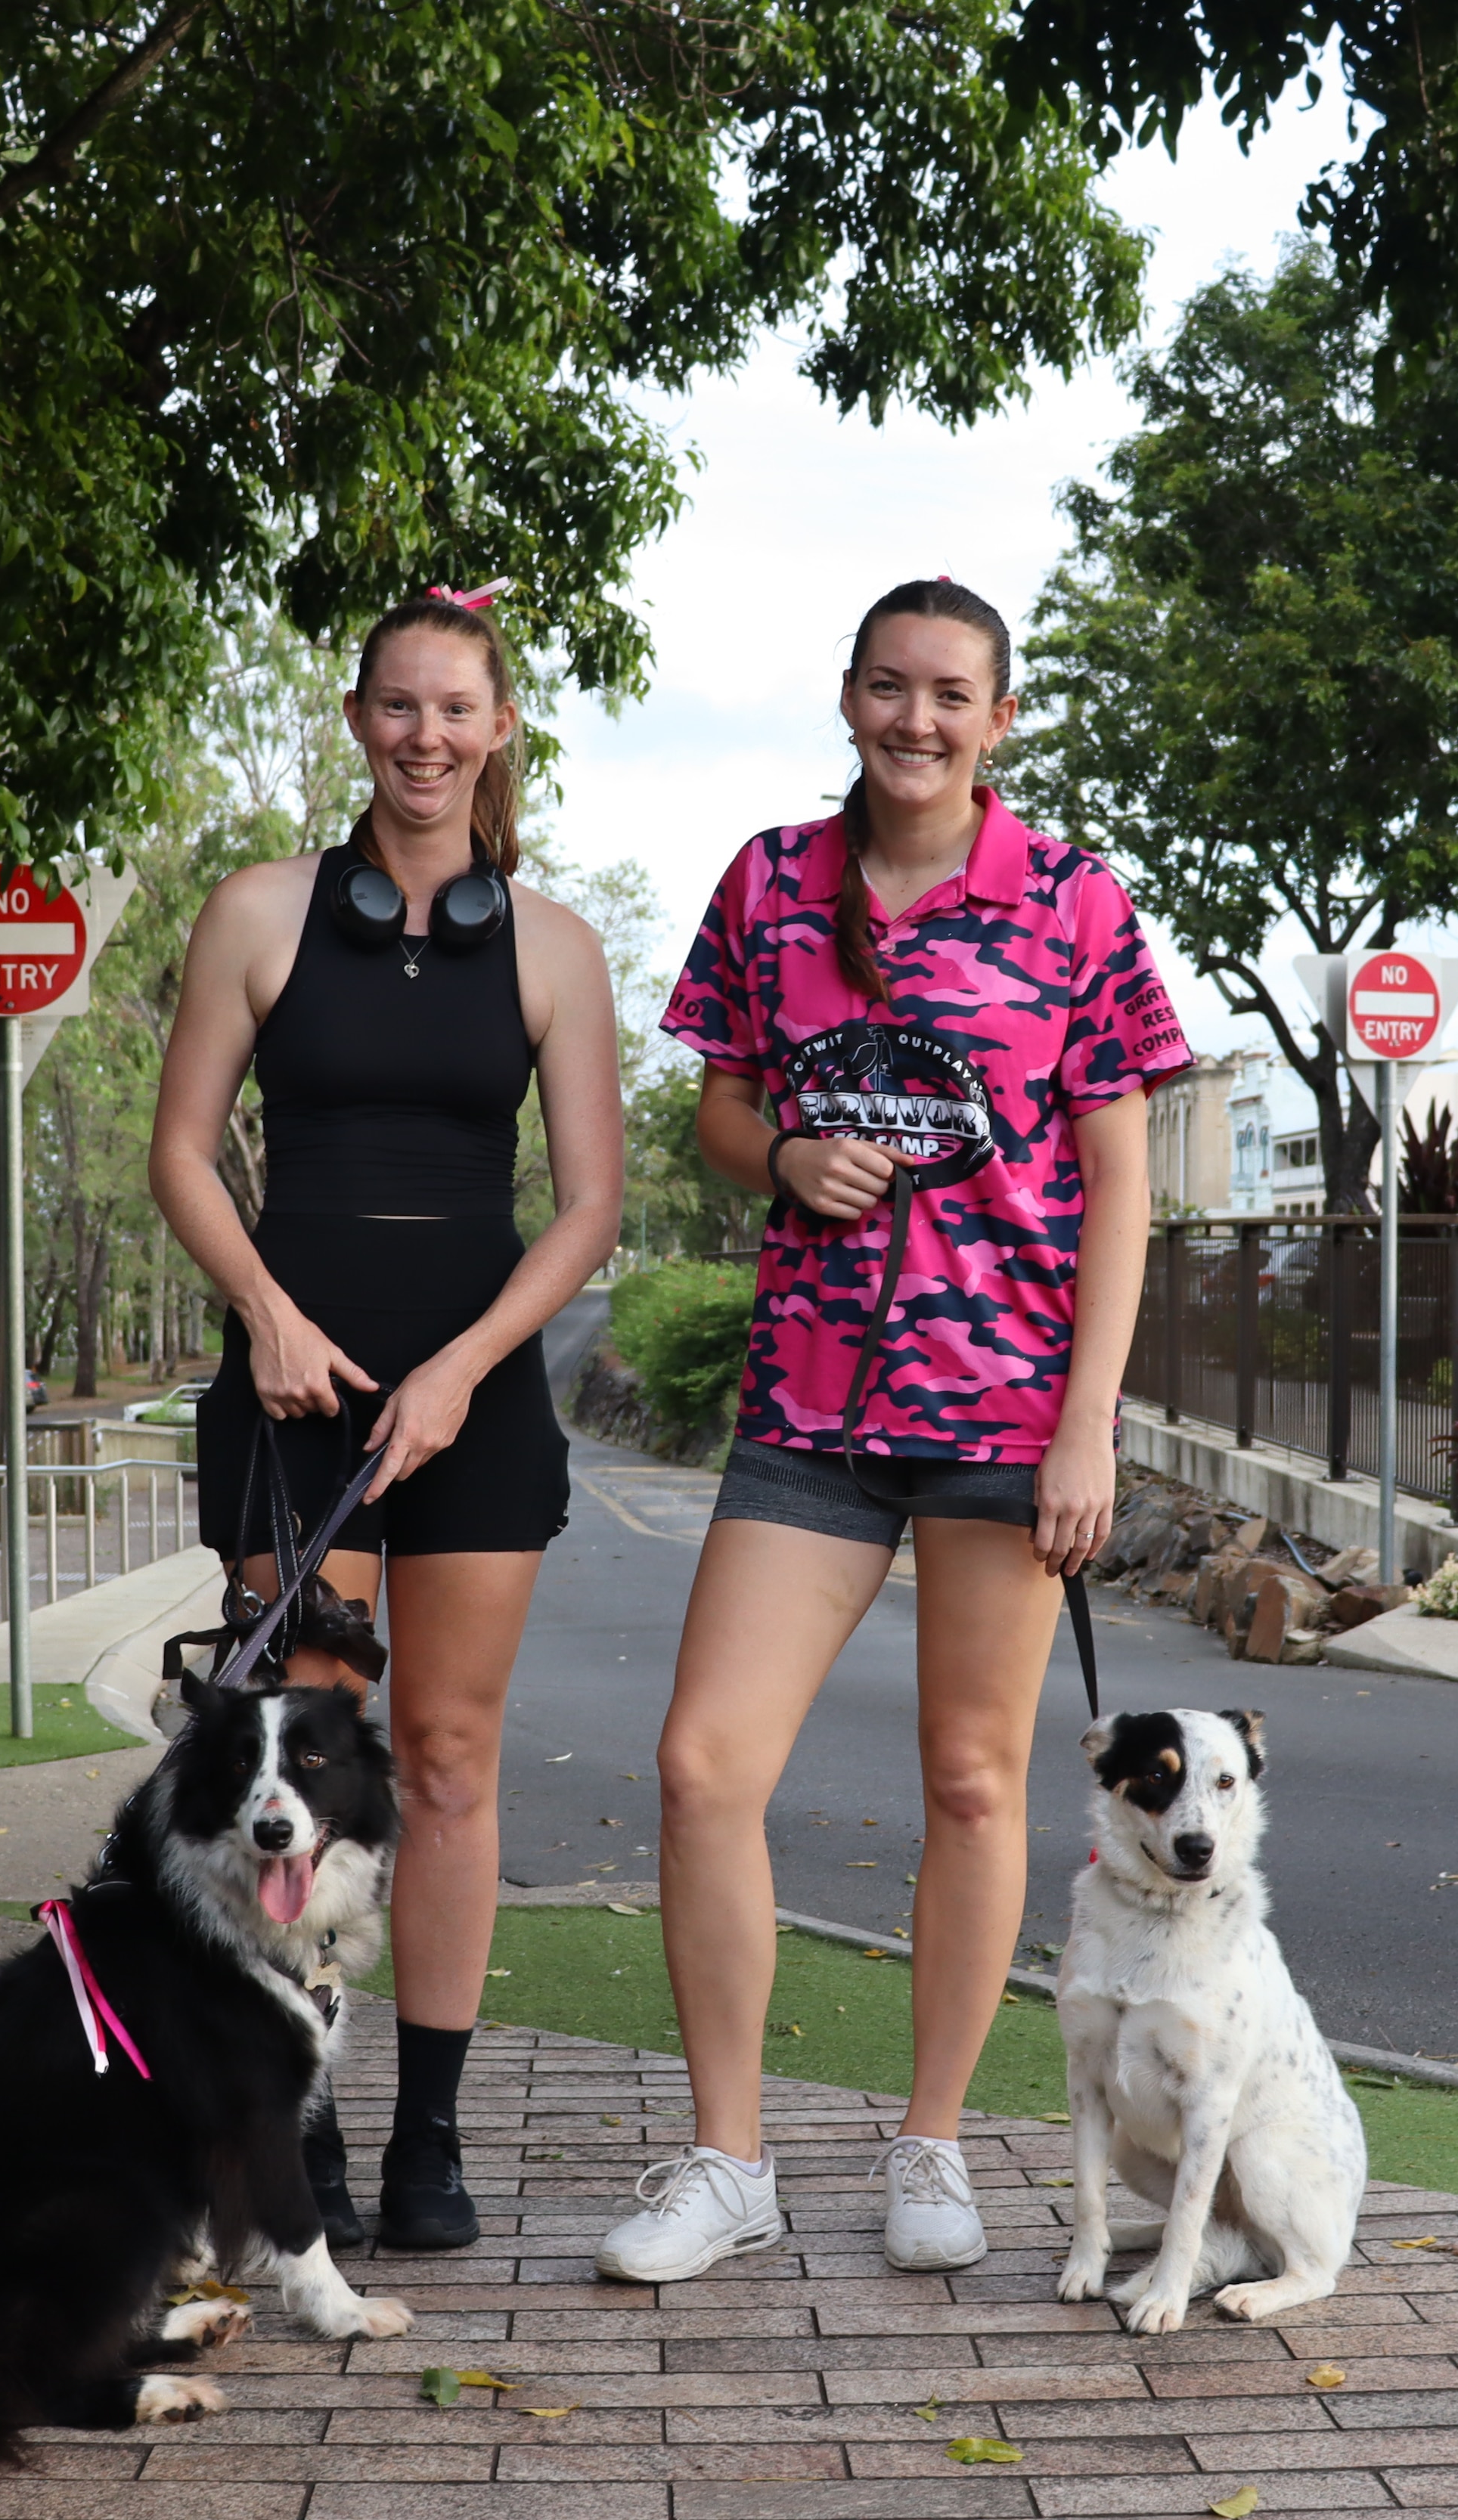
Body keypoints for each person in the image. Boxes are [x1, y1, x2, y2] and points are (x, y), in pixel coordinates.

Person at [596, 577, 1189, 2284]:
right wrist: (777, 1155)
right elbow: (714, 1098)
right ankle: (729, 2158)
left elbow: (1122, 1178)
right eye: (887, 686)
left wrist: (1089, 1425)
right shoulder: (771, 880)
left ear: (999, 717)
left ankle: (930, 2140)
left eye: (952, 693)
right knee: (704, 1762)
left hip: (1006, 1412)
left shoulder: (1074, 901)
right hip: (807, 1401)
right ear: (846, 697)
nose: (916, 718)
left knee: (972, 1776)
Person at [148, 585, 623, 2252]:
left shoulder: (555, 945)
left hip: (471, 1396)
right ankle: (306, 2126)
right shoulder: (259, 912)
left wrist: (467, 1363)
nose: (426, 736)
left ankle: (427, 2136)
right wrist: (271, 1316)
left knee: (444, 1756)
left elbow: (587, 1209)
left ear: (499, 730)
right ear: (358, 719)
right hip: (299, 1395)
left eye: (457, 709)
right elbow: (183, 1151)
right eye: (397, 706)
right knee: (296, 1769)